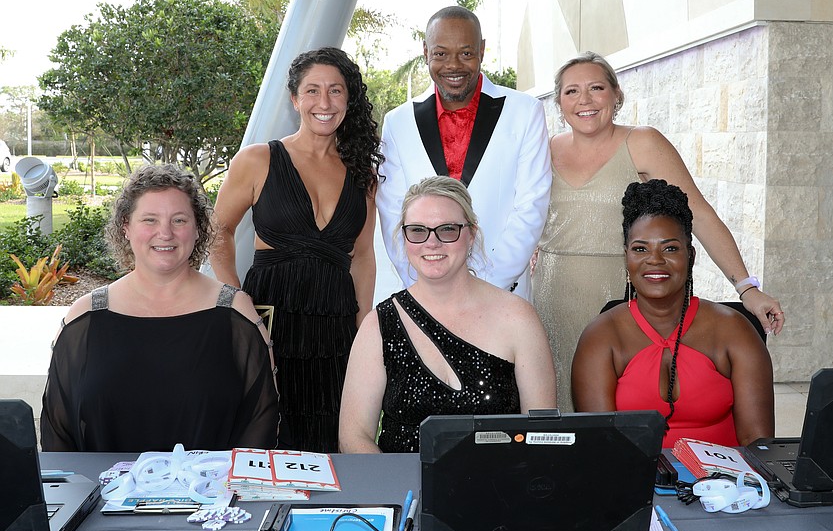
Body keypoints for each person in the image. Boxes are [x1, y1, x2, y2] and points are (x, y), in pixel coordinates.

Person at [533, 51, 784, 411]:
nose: (584, 100)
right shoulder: (545, 149)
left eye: (596, 88)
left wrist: (746, 287)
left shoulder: (643, 142)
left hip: (619, 299)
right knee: (554, 413)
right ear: (559, 102)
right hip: (550, 299)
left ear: (616, 94)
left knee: (617, 416)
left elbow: (700, 214)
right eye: (572, 91)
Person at [210, 47, 383, 453]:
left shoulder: (363, 171)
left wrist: (361, 333)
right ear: (294, 99)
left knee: (335, 438)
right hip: (270, 319)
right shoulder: (257, 160)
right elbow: (218, 233)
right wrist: (239, 306)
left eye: (336, 91)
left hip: (335, 326)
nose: (324, 103)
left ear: (349, 99)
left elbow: (362, 256)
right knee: (264, 433)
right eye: (312, 91)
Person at [40, 164, 278, 452]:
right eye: (150, 220)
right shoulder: (86, 316)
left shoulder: (235, 313)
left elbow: (260, 421)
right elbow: (58, 431)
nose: (165, 233)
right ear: (126, 227)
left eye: (179, 220)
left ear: (198, 229)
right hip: (107, 495)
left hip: (211, 494)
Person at [339, 176, 556, 453]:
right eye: (418, 231)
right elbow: (353, 437)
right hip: (405, 493)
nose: (432, 243)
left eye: (447, 229)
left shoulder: (518, 318)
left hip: (497, 489)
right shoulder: (378, 326)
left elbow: (543, 433)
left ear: (471, 234)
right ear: (404, 237)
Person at [572, 179, 775, 448]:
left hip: (726, 486)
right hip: (634, 486)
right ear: (626, 257)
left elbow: (759, 445)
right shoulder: (600, 337)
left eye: (670, 248)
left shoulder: (735, 331)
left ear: (690, 256)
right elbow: (601, 447)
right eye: (640, 249)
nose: (655, 260)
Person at [376, 6, 551, 301]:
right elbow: (393, 212)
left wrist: (486, 285)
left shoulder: (525, 111)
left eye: (466, 53)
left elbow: (531, 206)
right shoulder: (398, 121)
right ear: (425, 52)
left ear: (482, 51)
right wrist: (428, 283)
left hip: (502, 295)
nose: (453, 65)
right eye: (441, 53)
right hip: (424, 295)